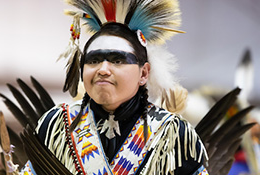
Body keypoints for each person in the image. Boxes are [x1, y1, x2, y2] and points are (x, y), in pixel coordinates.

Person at [34, 1, 209, 173]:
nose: (102, 70)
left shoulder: (172, 134)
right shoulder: (56, 126)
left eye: (117, 60)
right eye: (93, 60)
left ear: (144, 73)